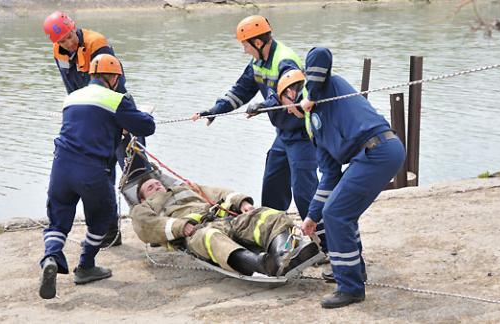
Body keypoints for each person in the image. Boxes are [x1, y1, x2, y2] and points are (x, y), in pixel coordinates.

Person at [277, 48, 406, 308]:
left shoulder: (325, 88)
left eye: (284, 104)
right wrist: (312, 217)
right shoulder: (315, 128)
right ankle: (353, 273)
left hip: (379, 149)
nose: (287, 111)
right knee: (338, 210)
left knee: (336, 213)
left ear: (292, 92)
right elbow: (329, 177)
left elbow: (320, 54)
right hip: (370, 156)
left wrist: (310, 95)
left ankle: (350, 288)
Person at [190, 16, 325, 249]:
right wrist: (215, 111)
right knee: (272, 185)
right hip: (283, 135)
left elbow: (290, 90)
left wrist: (263, 106)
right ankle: (274, 236)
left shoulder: (285, 60)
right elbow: (241, 91)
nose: (244, 50)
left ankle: (324, 244)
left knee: (305, 194)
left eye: (245, 44)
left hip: (302, 135)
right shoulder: (258, 62)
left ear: (258, 42)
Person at [38, 54, 156, 300]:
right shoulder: (116, 99)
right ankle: (86, 266)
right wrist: (143, 115)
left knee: (58, 221)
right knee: (102, 218)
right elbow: (146, 128)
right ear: (113, 77)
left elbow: (89, 123)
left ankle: (50, 256)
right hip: (91, 170)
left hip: (60, 167)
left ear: (91, 75)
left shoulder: (71, 97)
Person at [43, 11, 150, 246]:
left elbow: (114, 81)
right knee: (103, 174)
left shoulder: (96, 43)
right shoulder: (59, 53)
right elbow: (71, 88)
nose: (68, 43)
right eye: (62, 41)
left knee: (136, 171)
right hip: (92, 115)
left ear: (74, 28)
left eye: (70, 37)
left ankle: (153, 226)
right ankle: (109, 233)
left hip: (115, 108)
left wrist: (122, 122)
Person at [130, 176, 321, 277]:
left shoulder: (185, 189)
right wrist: (182, 226)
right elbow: (145, 226)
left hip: (225, 219)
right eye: (150, 188)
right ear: (142, 197)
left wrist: (241, 203)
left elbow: (219, 192)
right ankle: (262, 266)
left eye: (157, 183)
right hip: (196, 232)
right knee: (211, 237)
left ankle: (283, 256)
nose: (156, 187)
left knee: (267, 215)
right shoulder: (144, 208)